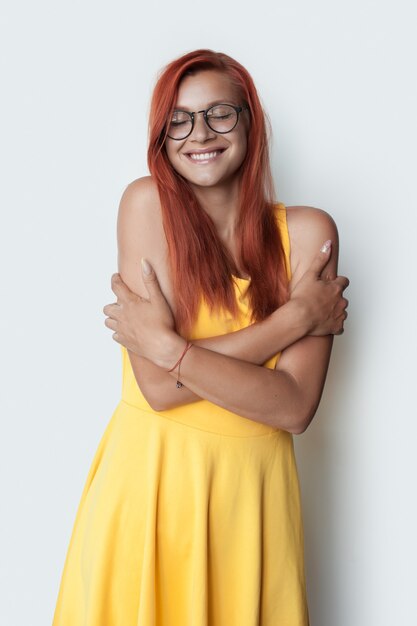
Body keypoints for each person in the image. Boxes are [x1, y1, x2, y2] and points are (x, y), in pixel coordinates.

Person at [52, 49, 349, 626]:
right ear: (162, 138)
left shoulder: (310, 232)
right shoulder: (145, 207)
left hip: (252, 498)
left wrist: (172, 350)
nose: (199, 135)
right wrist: (289, 323)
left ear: (249, 121)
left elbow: (292, 407)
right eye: (179, 120)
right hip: (149, 485)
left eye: (219, 114)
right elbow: (159, 391)